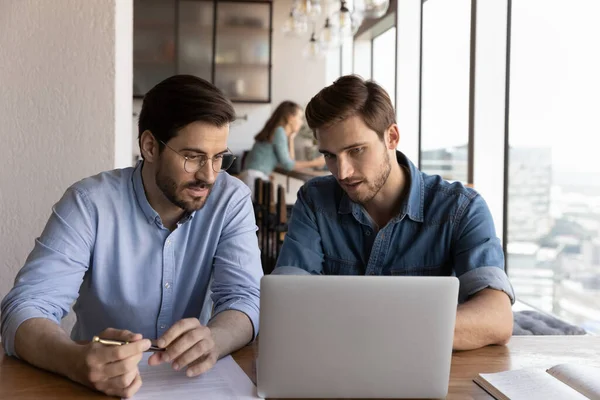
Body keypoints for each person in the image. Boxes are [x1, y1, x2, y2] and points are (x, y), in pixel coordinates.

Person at [1, 75, 263, 398]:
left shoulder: (230, 199)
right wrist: (76, 361)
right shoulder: (89, 203)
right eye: (193, 157)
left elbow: (245, 297)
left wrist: (216, 339)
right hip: (96, 390)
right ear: (150, 146)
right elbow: (24, 308)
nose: (209, 175)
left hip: (195, 386)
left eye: (219, 157)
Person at [274, 75, 515, 351]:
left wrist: (376, 331)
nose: (343, 172)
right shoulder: (315, 200)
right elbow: (286, 302)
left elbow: (496, 319)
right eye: (330, 155)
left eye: (356, 150)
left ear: (392, 137)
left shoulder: (461, 208)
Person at [240, 101, 325, 199]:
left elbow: (290, 161)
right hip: (254, 180)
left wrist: (291, 139)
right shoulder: (279, 131)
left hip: (251, 177)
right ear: (290, 118)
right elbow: (288, 165)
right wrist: (315, 163)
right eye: (299, 118)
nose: (301, 122)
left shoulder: (277, 131)